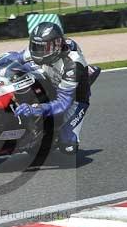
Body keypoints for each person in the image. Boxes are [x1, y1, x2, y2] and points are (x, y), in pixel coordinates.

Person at [11, 22, 96, 155]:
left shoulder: (72, 65)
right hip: (49, 77)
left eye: (43, 48)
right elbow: (15, 57)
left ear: (56, 46)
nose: (38, 51)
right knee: (17, 72)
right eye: (35, 46)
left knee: (68, 148)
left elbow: (63, 103)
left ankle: (52, 137)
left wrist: (34, 109)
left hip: (73, 98)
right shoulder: (43, 49)